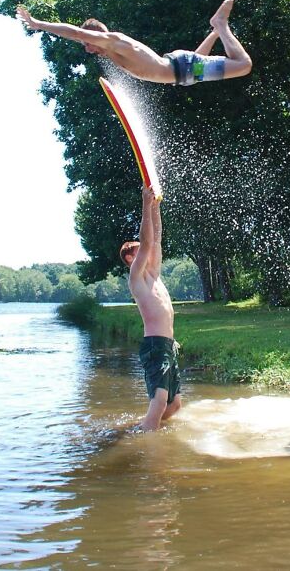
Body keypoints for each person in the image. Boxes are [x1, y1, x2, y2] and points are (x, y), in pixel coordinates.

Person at [15, 0, 252, 86]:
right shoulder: (110, 53)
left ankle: (220, 24)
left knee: (243, 65)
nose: (87, 49)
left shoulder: (113, 41)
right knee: (198, 66)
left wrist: (39, 24)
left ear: (95, 35)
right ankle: (215, 31)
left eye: (88, 43)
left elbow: (75, 32)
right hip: (184, 72)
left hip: (182, 68)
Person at [120, 184, 181, 431]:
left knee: (174, 405)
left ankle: (145, 427)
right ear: (130, 259)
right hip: (155, 345)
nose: (146, 252)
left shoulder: (153, 274)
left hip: (168, 344)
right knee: (158, 402)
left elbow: (155, 239)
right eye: (138, 251)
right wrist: (145, 203)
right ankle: (149, 447)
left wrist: (156, 206)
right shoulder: (136, 277)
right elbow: (147, 243)